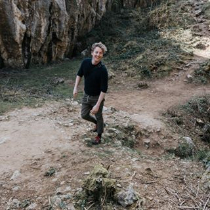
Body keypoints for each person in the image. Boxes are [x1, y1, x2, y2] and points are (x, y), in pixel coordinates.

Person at [73, 42, 108, 145]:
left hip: (97, 97)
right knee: (84, 115)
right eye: (96, 52)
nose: (98, 55)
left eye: (100, 53)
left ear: (102, 55)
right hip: (86, 95)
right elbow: (79, 74)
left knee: (98, 116)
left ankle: (99, 135)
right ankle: (97, 124)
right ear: (92, 52)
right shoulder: (85, 63)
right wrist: (75, 88)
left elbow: (104, 89)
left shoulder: (103, 70)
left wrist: (97, 105)